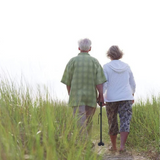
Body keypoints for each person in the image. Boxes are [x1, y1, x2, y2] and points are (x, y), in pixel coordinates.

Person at [61, 38, 106, 136]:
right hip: (91, 96)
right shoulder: (95, 62)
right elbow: (99, 82)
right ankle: (87, 141)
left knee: (79, 120)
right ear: (90, 48)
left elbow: (67, 81)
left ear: (78, 48)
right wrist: (101, 96)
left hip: (76, 96)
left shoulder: (72, 61)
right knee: (88, 120)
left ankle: (84, 142)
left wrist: (70, 94)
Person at [103, 45, 136, 152]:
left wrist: (101, 96)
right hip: (126, 96)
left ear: (109, 55)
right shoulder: (126, 66)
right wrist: (132, 94)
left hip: (111, 98)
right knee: (125, 120)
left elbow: (105, 83)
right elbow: (132, 83)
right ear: (120, 54)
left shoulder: (106, 67)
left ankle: (114, 147)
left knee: (112, 121)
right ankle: (122, 146)